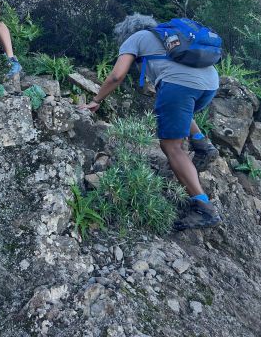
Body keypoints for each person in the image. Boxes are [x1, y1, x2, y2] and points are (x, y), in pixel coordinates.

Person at [84, 13, 222, 231]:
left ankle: (203, 206)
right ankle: (201, 143)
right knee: (178, 111)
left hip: (181, 86)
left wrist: (96, 100)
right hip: (210, 84)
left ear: (124, 32)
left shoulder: (136, 38)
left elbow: (116, 76)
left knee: (170, 145)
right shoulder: (167, 37)